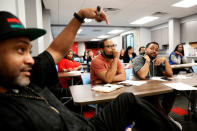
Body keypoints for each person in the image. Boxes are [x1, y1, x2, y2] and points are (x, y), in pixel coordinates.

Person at [0, 9, 180, 131]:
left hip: (86, 124)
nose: (30, 59)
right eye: (20, 50)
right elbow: (111, 79)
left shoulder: (25, 76)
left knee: (128, 99)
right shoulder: (8, 114)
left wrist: (80, 16)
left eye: (29, 50)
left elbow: (55, 50)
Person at [132, 42, 181, 129]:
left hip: (154, 87)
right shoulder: (138, 59)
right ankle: (166, 121)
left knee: (173, 90)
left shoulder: (157, 59)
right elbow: (142, 75)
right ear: (146, 49)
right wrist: (147, 61)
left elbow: (170, 74)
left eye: (157, 50)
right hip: (140, 89)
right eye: (151, 48)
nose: (154, 51)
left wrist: (165, 61)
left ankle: (163, 117)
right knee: (152, 95)